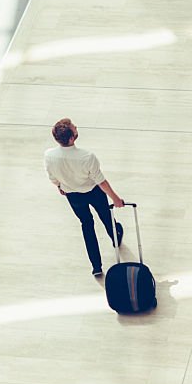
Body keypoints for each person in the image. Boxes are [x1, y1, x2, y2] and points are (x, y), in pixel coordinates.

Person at [44, 118, 125, 277]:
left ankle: (96, 266)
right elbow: (100, 181)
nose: (76, 127)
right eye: (74, 128)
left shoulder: (49, 155)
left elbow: (52, 177)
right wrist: (115, 198)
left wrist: (60, 186)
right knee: (106, 217)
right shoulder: (87, 157)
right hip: (93, 192)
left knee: (86, 225)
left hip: (72, 195)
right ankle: (115, 237)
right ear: (72, 138)